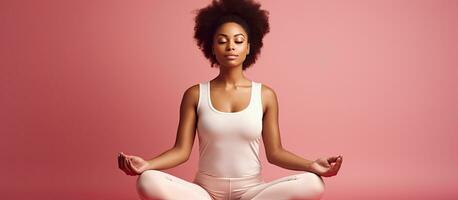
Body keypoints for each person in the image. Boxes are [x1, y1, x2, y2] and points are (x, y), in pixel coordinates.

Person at [118, 0, 343, 199]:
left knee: (313, 183)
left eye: (238, 40)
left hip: (253, 192)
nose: (230, 46)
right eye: (222, 41)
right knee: (147, 180)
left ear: (248, 48)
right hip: (204, 193)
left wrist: (311, 165)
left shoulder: (265, 95)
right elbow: (181, 151)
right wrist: (147, 164)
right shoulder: (195, 94)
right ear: (212, 48)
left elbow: (275, 153)